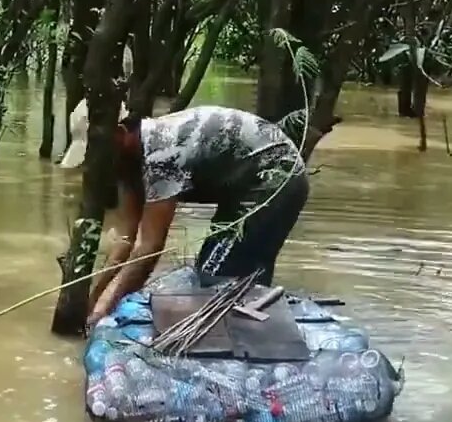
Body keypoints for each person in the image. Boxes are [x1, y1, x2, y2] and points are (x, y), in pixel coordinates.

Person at [59, 101, 310, 330]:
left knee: (216, 277)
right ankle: (247, 338)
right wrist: (93, 301)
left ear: (121, 135)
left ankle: (241, 348)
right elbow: (126, 239)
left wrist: (103, 312)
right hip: (244, 186)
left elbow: (149, 249)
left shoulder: (160, 154)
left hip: (276, 179)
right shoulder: (128, 162)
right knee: (235, 275)